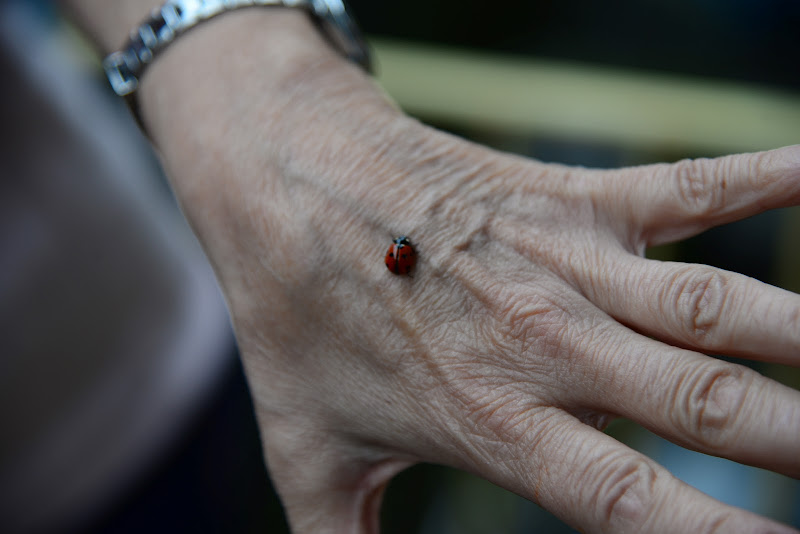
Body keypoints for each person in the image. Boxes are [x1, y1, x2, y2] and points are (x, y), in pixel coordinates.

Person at [64, 2, 800, 532]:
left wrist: (252, 80)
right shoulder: (401, 255)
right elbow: (405, 255)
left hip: (145, 346)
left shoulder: (395, 254)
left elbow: (403, 253)